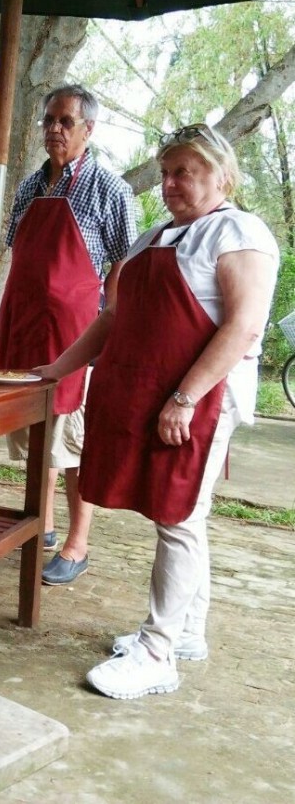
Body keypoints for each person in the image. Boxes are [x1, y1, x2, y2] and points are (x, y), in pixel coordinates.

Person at [37, 123, 278, 699]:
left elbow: (242, 326)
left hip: (195, 402)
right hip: (145, 397)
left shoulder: (239, 233)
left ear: (220, 175)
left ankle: (157, 650)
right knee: (181, 518)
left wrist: (185, 398)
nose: (169, 184)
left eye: (183, 173)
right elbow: (112, 319)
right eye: (165, 172)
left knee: (177, 517)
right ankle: (188, 629)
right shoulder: (154, 236)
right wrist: (57, 369)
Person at [0, 83, 138, 585]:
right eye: (49, 120)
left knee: (72, 441)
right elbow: (18, 252)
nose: (54, 129)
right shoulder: (29, 186)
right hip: (24, 324)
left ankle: (78, 543)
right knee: (34, 433)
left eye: (66, 121)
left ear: (89, 129)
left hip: (75, 335)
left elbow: (123, 266)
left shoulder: (111, 189)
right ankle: (44, 526)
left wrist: (113, 328)